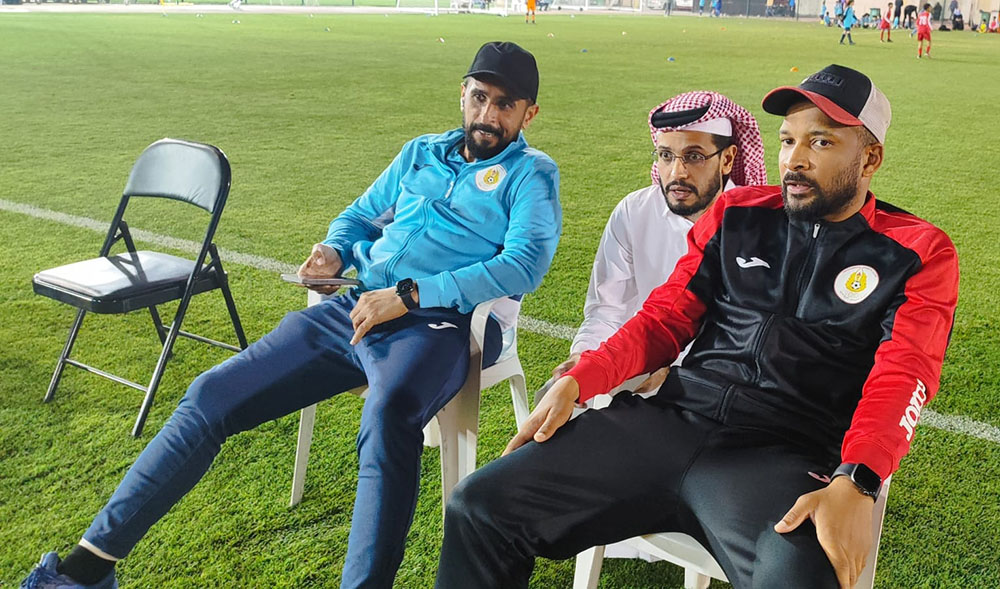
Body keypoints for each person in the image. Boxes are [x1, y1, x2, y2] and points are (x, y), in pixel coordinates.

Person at [20, 41, 561, 589]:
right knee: (211, 394)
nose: (488, 115)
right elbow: (359, 217)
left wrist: (412, 294)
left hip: (443, 324)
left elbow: (524, 264)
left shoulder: (531, 175)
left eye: (505, 104)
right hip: (357, 307)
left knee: (388, 415)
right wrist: (334, 251)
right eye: (479, 97)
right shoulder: (421, 152)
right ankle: (88, 567)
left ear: (529, 113)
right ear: (462, 94)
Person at [435, 64, 959, 589]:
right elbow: (665, 318)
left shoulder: (916, 252)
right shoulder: (738, 211)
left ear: (870, 158)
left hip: (787, 452)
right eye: (787, 140)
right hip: (669, 418)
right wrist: (582, 377)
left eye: (820, 142)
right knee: (480, 506)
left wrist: (859, 479)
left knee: (802, 577)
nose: (794, 160)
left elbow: (904, 375)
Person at [550, 91, 766, 407]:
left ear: (728, 160)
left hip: (720, 390)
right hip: (634, 366)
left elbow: (754, 339)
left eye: (694, 156)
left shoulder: (760, 226)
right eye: (666, 155)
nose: (677, 173)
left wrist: (677, 370)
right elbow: (608, 308)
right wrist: (583, 355)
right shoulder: (634, 211)